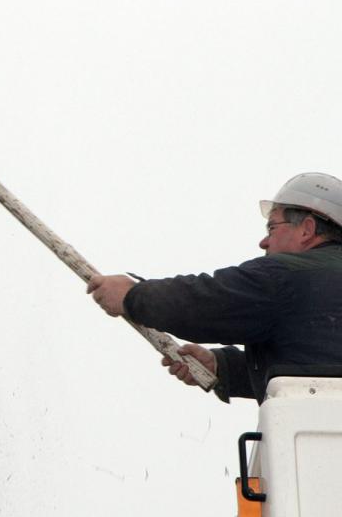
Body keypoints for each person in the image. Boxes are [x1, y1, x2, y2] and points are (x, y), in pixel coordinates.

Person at [87, 173, 342, 403]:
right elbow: (315, 370)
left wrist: (132, 296)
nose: (263, 241)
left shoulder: (286, 276)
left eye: (272, 227)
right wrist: (222, 366)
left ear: (307, 229)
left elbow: (210, 301)